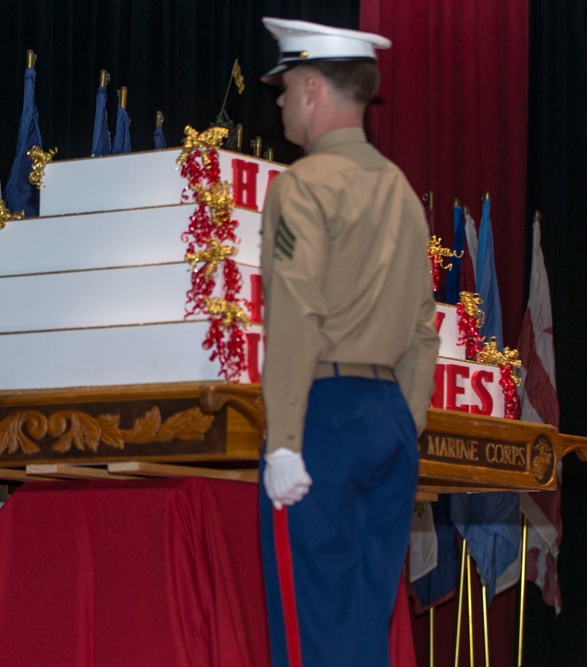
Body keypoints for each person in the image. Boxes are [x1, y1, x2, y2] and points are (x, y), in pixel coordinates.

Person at [256, 18, 439, 667]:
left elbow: (296, 314)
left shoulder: (302, 186)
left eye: (284, 87)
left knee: (310, 631)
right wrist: (403, 423)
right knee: (363, 628)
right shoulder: (402, 193)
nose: (278, 101)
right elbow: (423, 327)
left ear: (311, 90)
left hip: (321, 418)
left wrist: (282, 439)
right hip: (390, 416)